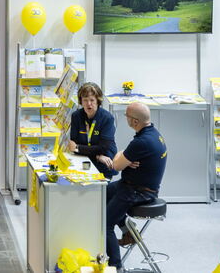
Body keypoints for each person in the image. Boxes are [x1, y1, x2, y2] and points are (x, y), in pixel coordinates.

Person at [105, 102, 167, 269]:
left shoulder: (141, 142)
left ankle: (116, 266)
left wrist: (121, 157)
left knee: (105, 223)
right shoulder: (154, 134)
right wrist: (124, 158)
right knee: (102, 194)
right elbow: (122, 157)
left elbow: (116, 166)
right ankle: (128, 233)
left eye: (127, 116)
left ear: (134, 121)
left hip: (137, 191)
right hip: (135, 185)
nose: (126, 119)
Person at [67, 83, 116, 174]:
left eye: (92, 100)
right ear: (81, 101)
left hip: (104, 162)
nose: (89, 104)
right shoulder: (76, 116)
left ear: (98, 101)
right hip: (83, 160)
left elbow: (103, 148)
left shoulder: (107, 118)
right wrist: (97, 155)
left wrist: (79, 148)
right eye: (85, 100)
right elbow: (73, 145)